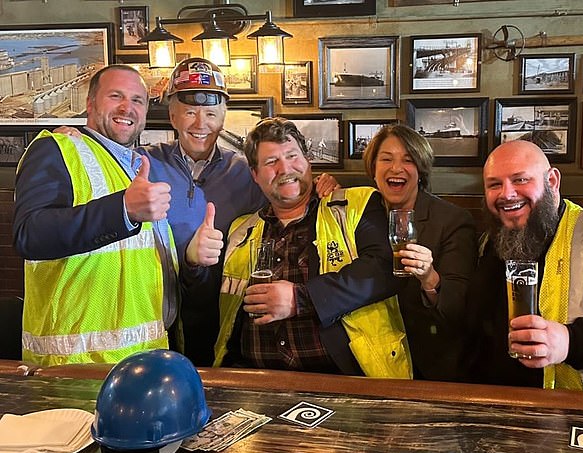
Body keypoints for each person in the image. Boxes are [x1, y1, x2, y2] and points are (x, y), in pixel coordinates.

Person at [13, 64, 223, 366]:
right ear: (89, 103)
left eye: (138, 100)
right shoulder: (56, 149)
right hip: (77, 365)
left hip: (144, 356)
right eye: (116, 96)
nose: (128, 107)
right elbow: (29, 236)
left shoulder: (136, 165)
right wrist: (123, 210)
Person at [140, 58, 338, 366]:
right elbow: (99, 160)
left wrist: (324, 186)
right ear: (172, 115)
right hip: (153, 314)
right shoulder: (141, 163)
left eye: (210, 113)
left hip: (223, 315)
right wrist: (76, 139)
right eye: (190, 112)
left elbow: (289, 193)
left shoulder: (246, 171)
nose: (200, 123)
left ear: (223, 117)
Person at [213, 117, 412, 378]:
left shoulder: (357, 203)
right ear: (255, 174)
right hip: (254, 377)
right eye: (271, 162)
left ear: (308, 161)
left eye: (292, 156)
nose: (285, 169)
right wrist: (196, 265)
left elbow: (385, 270)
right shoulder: (241, 231)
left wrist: (300, 299)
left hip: (348, 377)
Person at [467, 140, 583, 393]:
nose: (507, 194)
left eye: (520, 180)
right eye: (494, 184)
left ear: (553, 181)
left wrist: (570, 341)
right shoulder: (490, 242)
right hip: (502, 407)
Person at [362, 124, 477, 381]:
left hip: (427, 359)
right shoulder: (359, 212)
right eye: (386, 159)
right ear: (373, 168)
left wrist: (429, 278)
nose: (396, 168)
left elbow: (458, 310)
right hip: (366, 353)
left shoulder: (453, 221)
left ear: (421, 169)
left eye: (408, 160)